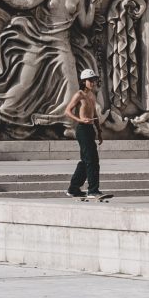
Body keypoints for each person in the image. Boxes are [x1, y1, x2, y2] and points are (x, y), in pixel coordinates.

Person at [63, 67, 111, 200]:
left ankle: (73, 189)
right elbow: (67, 111)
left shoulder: (91, 95)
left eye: (94, 80)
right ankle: (93, 190)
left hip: (90, 130)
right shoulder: (79, 94)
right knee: (92, 160)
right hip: (82, 129)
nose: (93, 82)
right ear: (84, 81)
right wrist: (80, 119)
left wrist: (99, 131)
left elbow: (94, 113)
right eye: (90, 80)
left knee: (85, 161)